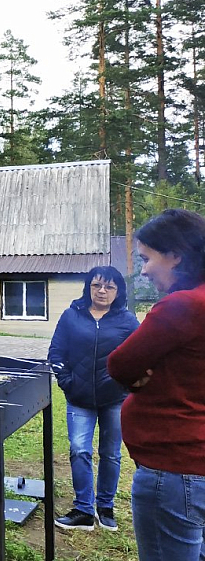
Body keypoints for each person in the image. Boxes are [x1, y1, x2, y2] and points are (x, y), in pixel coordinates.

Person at [108, 209, 205, 561]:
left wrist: (143, 373)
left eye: (148, 258)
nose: (144, 269)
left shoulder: (185, 305)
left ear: (176, 255)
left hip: (175, 471)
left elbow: (119, 364)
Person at [49, 265, 139, 532]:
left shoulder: (127, 320)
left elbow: (140, 356)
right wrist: (67, 382)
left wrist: (125, 382)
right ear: (88, 287)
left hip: (115, 399)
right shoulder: (71, 316)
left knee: (111, 454)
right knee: (79, 451)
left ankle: (106, 507)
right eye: (97, 285)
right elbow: (56, 352)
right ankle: (84, 510)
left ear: (118, 291)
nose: (102, 291)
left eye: (109, 287)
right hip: (80, 398)